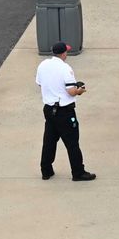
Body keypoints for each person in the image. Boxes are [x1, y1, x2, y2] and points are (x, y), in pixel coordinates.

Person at [36, 41, 91, 181]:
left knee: (49, 141)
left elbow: (40, 83)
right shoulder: (65, 68)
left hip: (48, 109)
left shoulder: (43, 65)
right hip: (64, 112)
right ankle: (78, 172)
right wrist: (80, 90)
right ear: (63, 53)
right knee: (72, 143)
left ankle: (46, 170)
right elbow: (71, 91)